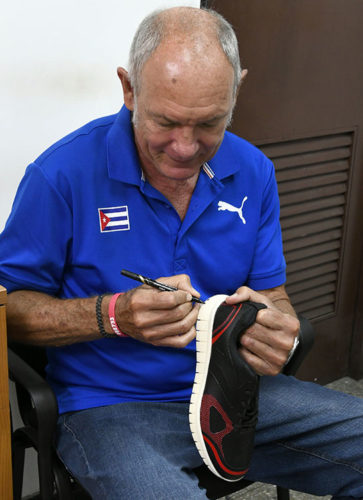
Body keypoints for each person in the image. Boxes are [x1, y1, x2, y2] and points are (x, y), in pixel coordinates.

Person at [1, 6, 362, 499]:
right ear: (129, 90)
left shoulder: (253, 171)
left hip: (233, 395)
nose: (185, 148)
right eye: (166, 122)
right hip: (111, 406)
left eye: (209, 124)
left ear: (238, 90)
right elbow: (10, 309)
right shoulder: (61, 175)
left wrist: (281, 330)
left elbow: (274, 296)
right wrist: (114, 315)